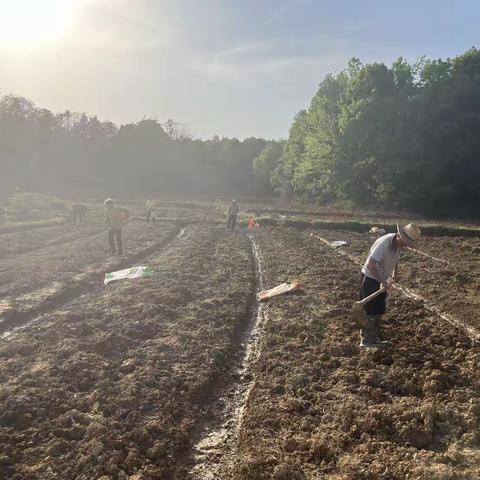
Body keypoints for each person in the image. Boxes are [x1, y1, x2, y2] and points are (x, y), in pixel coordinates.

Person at [359, 223, 421, 348]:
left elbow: (396, 259)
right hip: (371, 278)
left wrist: (394, 273)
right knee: (370, 310)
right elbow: (371, 264)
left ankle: (375, 338)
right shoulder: (384, 243)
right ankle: (366, 340)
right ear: (400, 236)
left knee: (379, 309)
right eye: (405, 242)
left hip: (382, 279)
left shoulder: (398, 244)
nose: (406, 246)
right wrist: (382, 281)